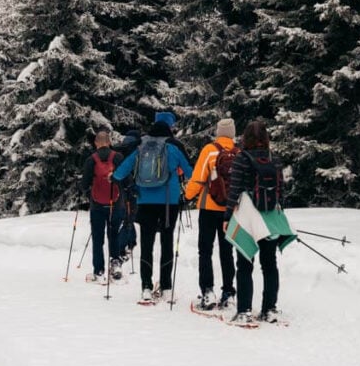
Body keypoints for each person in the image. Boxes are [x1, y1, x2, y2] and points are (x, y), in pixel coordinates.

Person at [112, 112, 192, 302]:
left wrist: (114, 178)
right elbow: (191, 172)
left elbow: (121, 171)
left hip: (145, 200)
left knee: (147, 244)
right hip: (168, 202)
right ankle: (165, 287)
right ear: (170, 127)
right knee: (167, 242)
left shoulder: (140, 144)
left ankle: (146, 287)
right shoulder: (174, 146)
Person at [224, 120, 284, 324]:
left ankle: (244, 311)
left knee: (244, 264)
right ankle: (270, 309)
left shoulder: (242, 159)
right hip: (270, 218)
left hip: (248, 216)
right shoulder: (274, 159)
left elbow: (234, 190)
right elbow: (281, 190)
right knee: (270, 264)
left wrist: (227, 217)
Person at [185, 118, 238, 310]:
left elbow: (198, 178)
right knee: (227, 251)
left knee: (205, 251)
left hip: (208, 207)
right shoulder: (238, 152)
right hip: (231, 211)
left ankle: (208, 292)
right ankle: (229, 293)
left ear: (218, 132)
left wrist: (187, 195)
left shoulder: (209, 150)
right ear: (232, 134)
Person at [81, 130, 124, 282]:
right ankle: (116, 264)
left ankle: (99, 271)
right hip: (116, 203)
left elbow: (85, 184)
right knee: (114, 234)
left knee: (98, 238)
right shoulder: (118, 157)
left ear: (96, 143)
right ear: (109, 141)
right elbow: (125, 179)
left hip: (97, 204)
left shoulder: (91, 160)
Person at [115, 128, 141, 260]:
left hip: (117, 189)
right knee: (129, 219)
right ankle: (120, 249)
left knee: (128, 217)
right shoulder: (136, 151)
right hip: (131, 189)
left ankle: (132, 242)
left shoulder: (118, 149)